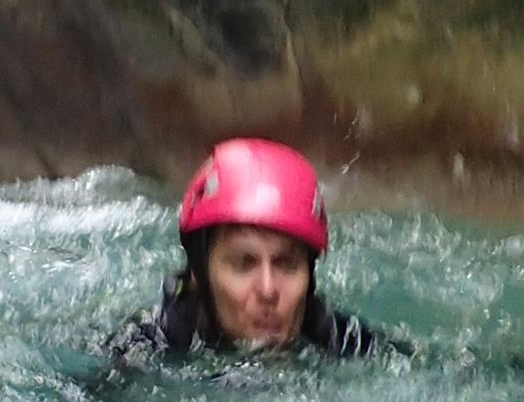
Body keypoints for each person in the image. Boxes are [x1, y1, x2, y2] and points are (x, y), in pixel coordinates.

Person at [102, 139, 400, 367]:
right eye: (244, 264)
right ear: (198, 273)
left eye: (287, 264)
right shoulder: (144, 348)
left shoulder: (337, 337)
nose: (268, 290)